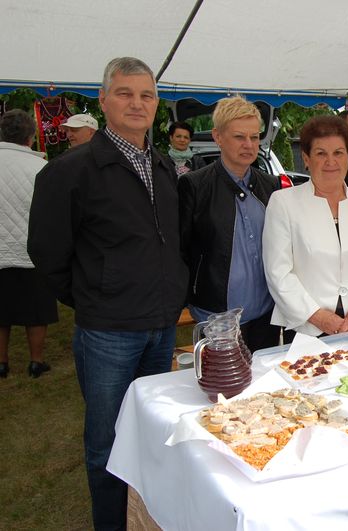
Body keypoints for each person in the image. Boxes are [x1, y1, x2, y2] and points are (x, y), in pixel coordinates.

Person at [27, 57, 188, 530]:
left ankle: (145, 517)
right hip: (108, 331)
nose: (137, 103)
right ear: (103, 99)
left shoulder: (161, 164)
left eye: (147, 95)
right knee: (107, 443)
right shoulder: (71, 170)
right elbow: (48, 252)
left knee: (154, 435)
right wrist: (94, 297)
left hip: (160, 328)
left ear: (156, 104)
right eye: (125, 93)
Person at [264, 115, 348, 336]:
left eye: (338, 153)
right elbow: (278, 273)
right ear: (306, 158)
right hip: (308, 329)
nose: (330, 162)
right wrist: (320, 318)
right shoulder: (283, 203)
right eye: (321, 153)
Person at [178, 96, 282, 351]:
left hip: (266, 313)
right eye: (239, 137)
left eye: (255, 137)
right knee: (223, 386)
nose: (248, 145)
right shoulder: (194, 186)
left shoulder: (270, 185)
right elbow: (181, 249)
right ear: (218, 136)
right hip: (216, 316)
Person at [0, 109, 56, 379]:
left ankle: (1, 362)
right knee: (36, 312)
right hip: (30, 252)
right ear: (31, 137)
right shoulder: (40, 168)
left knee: (1, 312)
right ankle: (36, 361)